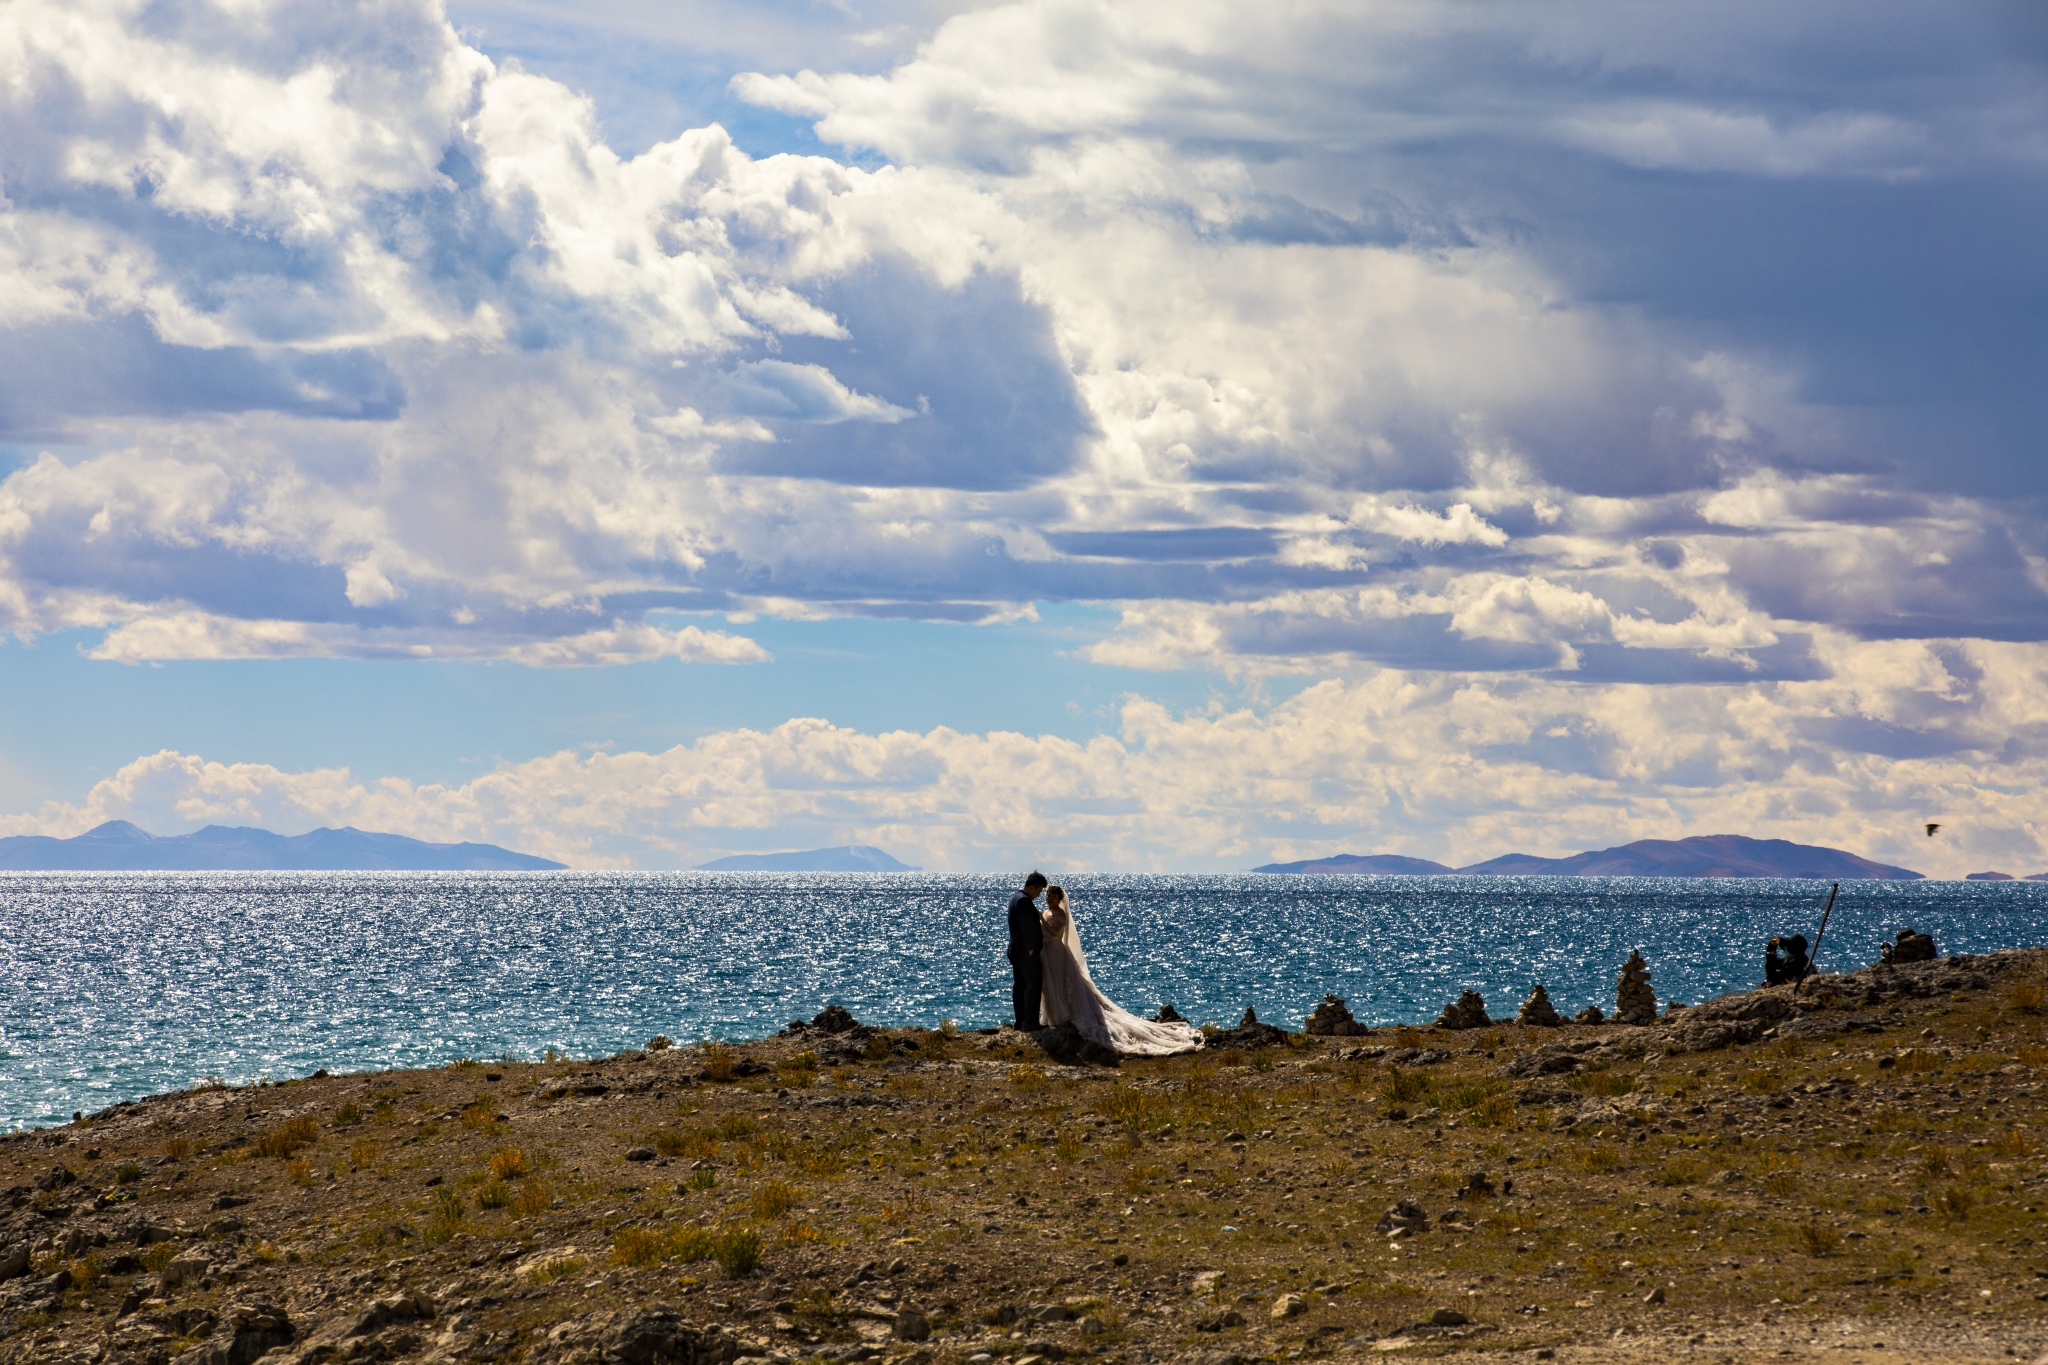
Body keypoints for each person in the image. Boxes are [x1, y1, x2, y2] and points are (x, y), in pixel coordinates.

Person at [1035, 884, 1203, 1055]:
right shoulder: (1047, 912)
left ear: (1059, 899)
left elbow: (1055, 933)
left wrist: (1041, 919)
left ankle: (1062, 1018)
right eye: (1047, 894)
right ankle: (1052, 1017)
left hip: (1056, 951)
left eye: (1053, 896)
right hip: (1047, 952)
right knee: (1050, 984)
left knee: (1058, 982)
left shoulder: (1060, 914)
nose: (1049, 898)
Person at [1005, 871, 1048, 1029]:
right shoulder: (1023, 900)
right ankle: (1030, 1022)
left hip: (1017, 950)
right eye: (1038, 891)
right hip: (1025, 951)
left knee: (1021, 985)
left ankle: (1020, 1021)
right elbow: (1026, 926)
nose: (1038, 895)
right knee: (1033, 984)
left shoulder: (1016, 897)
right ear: (1031, 886)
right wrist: (1031, 948)